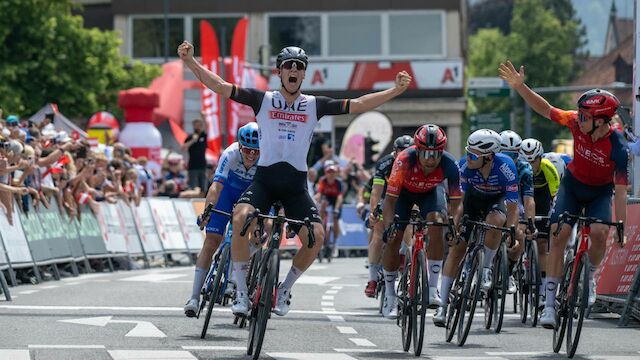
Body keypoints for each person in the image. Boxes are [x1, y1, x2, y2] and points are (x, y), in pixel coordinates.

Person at [178, 41, 412, 317]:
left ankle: (285, 288)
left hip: (295, 188)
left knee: (317, 237)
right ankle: (240, 292)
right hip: (264, 181)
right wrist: (191, 62)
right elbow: (220, 86)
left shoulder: (314, 105)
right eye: (288, 65)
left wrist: (396, 90)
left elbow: (360, 104)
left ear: (304, 74)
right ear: (279, 72)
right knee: (240, 219)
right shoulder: (262, 99)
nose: (293, 70)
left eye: (299, 67)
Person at [499, 60, 628, 329]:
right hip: (572, 186)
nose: (578, 119)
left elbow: (620, 189)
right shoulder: (574, 122)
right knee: (558, 237)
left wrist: (621, 226)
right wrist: (521, 88)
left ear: (601, 121)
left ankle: (589, 275)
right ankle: (548, 306)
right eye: (579, 115)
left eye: (585, 117)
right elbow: (546, 109)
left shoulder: (617, 146)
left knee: (599, 234)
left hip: (600, 193)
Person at [434, 129, 519, 326]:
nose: (468, 157)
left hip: (495, 201)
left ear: (489, 157)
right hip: (472, 201)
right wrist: (455, 228)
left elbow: (513, 207)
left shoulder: (506, 168)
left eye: (473, 154)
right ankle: (443, 306)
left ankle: (486, 267)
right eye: (468, 151)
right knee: (457, 250)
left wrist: (512, 231)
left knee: (496, 222)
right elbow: (460, 203)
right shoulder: (464, 165)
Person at [376, 125, 462, 319]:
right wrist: (389, 226)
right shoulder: (404, 159)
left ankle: (432, 287)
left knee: (437, 223)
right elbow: (389, 201)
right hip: (403, 195)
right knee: (394, 237)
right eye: (426, 153)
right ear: (418, 150)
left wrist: (454, 227)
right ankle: (390, 295)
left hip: (431, 193)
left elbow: (456, 204)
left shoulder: (449, 163)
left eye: (436, 154)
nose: (431, 159)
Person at [183, 123, 260, 317]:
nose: (251, 155)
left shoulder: (267, 159)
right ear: (240, 146)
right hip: (226, 193)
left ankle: (239, 265)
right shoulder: (230, 153)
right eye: (248, 150)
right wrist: (207, 211)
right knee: (210, 242)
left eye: (256, 151)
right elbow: (216, 187)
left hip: (249, 195)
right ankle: (193, 298)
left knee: (256, 233)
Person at [362, 135, 413, 298]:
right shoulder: (385, 164)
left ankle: (404, 256)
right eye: (401, 151)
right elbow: (376, 192)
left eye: (408, 151)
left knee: (409, 227)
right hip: (387, 199)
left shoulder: (415, 163)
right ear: (394, 152)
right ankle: (372, 280)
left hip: (408, 198)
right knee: (377, 235)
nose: (404, 154)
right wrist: (374, 212)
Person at [520, 138, 560, 304]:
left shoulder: (548, 168)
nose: (530, 165)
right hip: (523, 199)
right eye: (527, 160)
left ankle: (543, 290)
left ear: (540, 158)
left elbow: (555, 197)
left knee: (543, 243)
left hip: (542, 199)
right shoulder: (519, 169)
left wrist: (553, 216)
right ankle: (520, 260)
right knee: (519, 231)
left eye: (534, 160)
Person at [499, 130, 534, 294]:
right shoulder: (493, 163)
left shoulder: (525, 168)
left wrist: (530, 222)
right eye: (506, 154)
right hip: (495, 197)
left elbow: (528, 199)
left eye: (514, 154)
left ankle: (510, 270)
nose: (511, 159)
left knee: (519, 233)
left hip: (514, 201)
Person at [314, 161, 345, 256]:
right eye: (329, 172)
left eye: (333, 172)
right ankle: (322, 235)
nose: (331, 174)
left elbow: (340, 197)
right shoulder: (323, 180)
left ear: (335, 173)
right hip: (326, 198)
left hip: (336, 200)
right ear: (326, 173)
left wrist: (336, 209)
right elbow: (319, 194)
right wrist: (316, 203)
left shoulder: (338, 182)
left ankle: (335, 242)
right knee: (322, 210)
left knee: (336, 218)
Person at [182, 118, 208, 194]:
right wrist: (193, 141)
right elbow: (183, 147)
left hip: (202, 166)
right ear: (193, 126)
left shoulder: (203, 135)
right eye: (196, 125)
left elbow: (208, 127)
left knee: (203, 187)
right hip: (193, 166)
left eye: (199, 125)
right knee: (194, 188)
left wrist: (203, 116)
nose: (198, 127)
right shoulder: (190, 137)